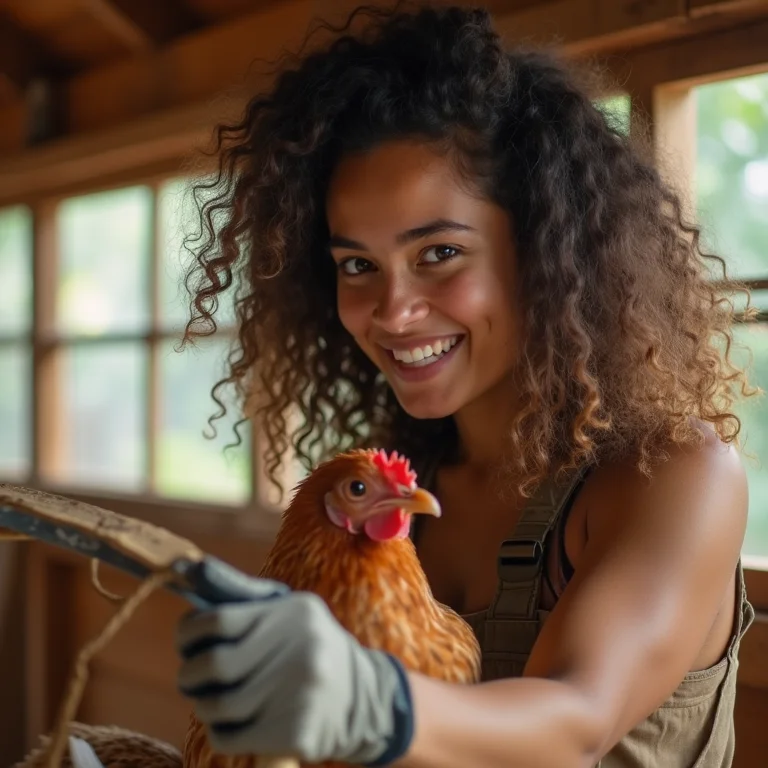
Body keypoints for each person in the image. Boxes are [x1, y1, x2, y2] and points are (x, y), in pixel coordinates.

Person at [176, 4, 756, 766]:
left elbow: (576, 722)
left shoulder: (672, 476)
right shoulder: (389, 501)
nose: (392, 310)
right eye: (357, 265)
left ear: (548, 253)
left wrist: (366, 697)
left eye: (439, 252)